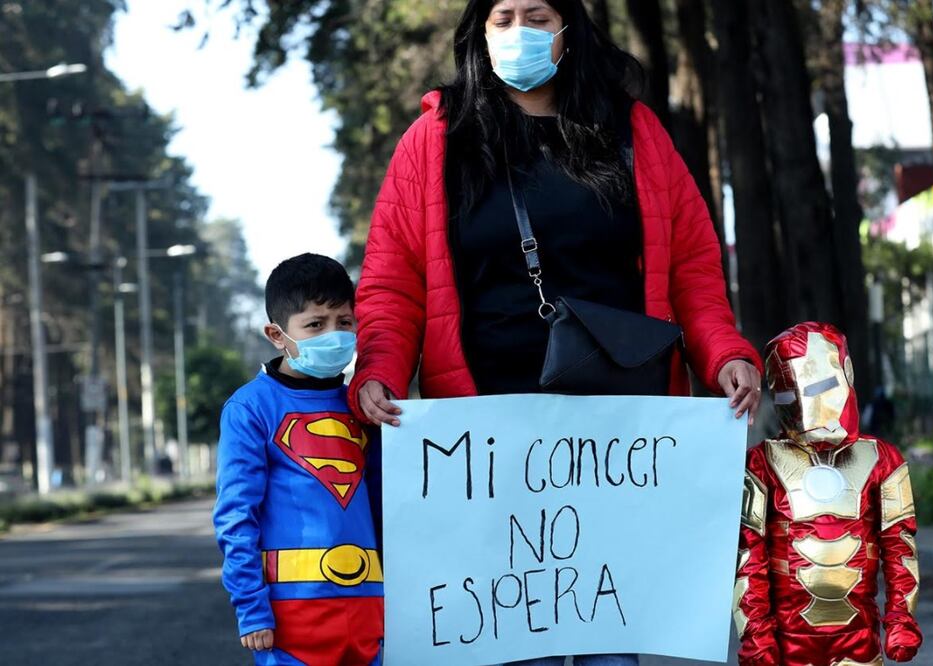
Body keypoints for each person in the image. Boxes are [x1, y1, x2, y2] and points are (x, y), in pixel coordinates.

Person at [352, 0, 762, 663]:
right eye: (504, 17)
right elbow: (392, 283)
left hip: (615, 442)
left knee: (610, 646)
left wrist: (723, 355)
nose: (520, 32)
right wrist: (379, 369)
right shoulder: (435, 139)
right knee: (519, 645)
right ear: (479, 34)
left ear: (568, 31)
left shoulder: (633, 129)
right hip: (487, 447)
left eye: (537, 16)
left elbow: (691, 265)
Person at [214, 253, 383, 665]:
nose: (335, 335)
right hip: (291, 616)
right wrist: (251, 608)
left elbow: (389, 506)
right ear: (277, 334)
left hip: (370, 611)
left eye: (345, 322)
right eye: (315, 325)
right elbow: (236, 517)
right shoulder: (250, 408)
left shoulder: (365, 404)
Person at [734, 322, 922, 666]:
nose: (809, 409)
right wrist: (756, 632)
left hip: (859, 641)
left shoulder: (882, 460)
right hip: (788, 643)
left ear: (845, 374)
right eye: (790, 396)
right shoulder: (761, 463)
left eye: (821, 387)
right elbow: (749, 555)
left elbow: (900, 546)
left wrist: (901, 618)